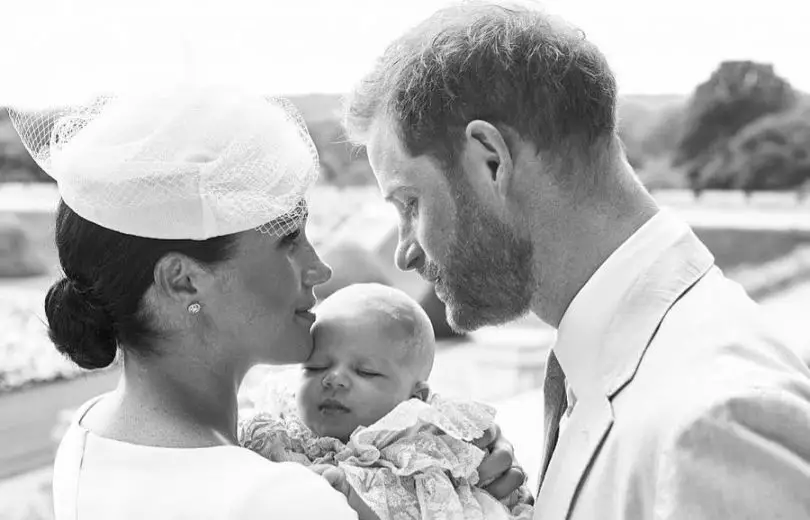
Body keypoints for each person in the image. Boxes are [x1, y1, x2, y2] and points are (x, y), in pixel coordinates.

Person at [343, 3, 810, 519]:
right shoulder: (622, 369)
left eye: (410, 203)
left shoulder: (715, 422)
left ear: (490, 161)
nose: (403, 251)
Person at [7, 85, 521, 519]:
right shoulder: (284, 500)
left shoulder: (90, 433)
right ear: (183, 281)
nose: (319, 268)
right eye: (289, 241)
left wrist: (430, 450)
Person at [240, 283, 533, 520]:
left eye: (366, 372)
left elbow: (435, 509)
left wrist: (351, 497)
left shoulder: (418, 456)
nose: (333, 379)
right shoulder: (276, 431)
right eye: (315, 367)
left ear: (414, 400)